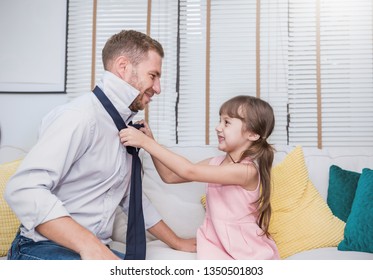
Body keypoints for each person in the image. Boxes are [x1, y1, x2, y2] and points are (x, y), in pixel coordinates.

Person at [5, 30, 196, 260]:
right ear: (123, 67)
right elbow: (23, 188)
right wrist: (88, 244)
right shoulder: (79, 116)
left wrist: (177, 242)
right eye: (153, 76)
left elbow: (131, 198)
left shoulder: (125, 129)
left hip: (90, 248)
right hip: (42, 247)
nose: (158, 88)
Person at [119, 95, 280, 259]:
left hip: (244, 249)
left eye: (227, 122)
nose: (218, 127)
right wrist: (150, 141)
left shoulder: (246, 171)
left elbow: (189, 171)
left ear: (252, 134)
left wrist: (146, 143)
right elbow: (170, 176)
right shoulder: (215, 163)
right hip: (216, 243)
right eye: (220, 121)